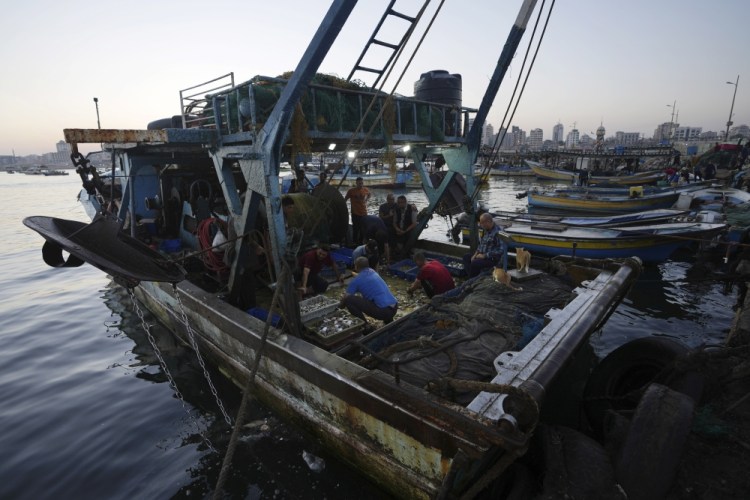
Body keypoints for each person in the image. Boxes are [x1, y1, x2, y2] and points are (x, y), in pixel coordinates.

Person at [340, 256, 398, 324]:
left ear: (356, 266)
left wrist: (340, 307)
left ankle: (366, 327)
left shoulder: (356, 281)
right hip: (394, 307)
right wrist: (352, 273)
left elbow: (346, 297)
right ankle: (389, 322)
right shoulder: (373, 272)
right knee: (380, 297)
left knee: (349, 300)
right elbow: (361, 276)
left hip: (383, 312)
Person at [462, 213, 506, 278]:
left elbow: (501, 250)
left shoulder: (498, 232)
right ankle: (472, 278)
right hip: (481, 255)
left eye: (482, 223)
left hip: (492, 259)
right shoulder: (485, 230)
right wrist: (475, 255)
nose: (481, 225)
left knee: (475, 263)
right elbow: (481, 244)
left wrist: (485, 255)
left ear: (488, 222)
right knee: (466, 257)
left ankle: (471, 279)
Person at [345, 177, 370, 245]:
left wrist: (366, 199)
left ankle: (361, 242)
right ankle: (354, 242)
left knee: (363, 229)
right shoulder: (351, 191)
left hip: (364, 213)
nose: (361, 185)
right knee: (356, 229)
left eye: (362, 183)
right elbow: (345, 199)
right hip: (355, 213)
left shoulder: (366, 190)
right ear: (356, 183)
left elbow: (369, 194)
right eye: (359, 183)